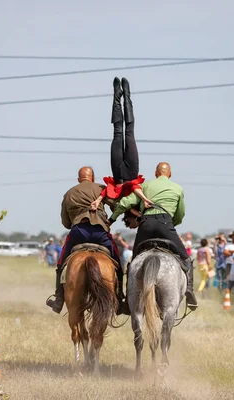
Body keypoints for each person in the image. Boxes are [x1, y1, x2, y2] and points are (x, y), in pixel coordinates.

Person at [110, 162, 198, 312]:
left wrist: (112, 218)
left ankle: (126, 301)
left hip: (146, 226)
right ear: (169, 174)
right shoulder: (177, 188)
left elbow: (125, 203)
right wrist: (171, 224)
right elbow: (180, 214)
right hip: (166, 225)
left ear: (156, 174)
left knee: (133, 263)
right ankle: (189, 291)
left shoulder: (145, 186)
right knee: (185, 258)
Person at [46, 166, 121, 314]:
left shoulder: (69, 193)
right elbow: (117, 206)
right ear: (92, 178)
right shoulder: (101, 188)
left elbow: (66, 223)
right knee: (117, 259)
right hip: (100, 232)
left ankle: (59, 299)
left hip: (78, 233)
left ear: (78, 179)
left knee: (61, 262)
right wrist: (109, 220)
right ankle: (120, 298)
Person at [90, 77, 153, 212]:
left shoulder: (118, 203)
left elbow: (106, 192)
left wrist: (97, 200)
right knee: (129, 133)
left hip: (118, 173)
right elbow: (135, 187)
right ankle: (127, 96)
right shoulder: (136, 202)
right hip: (131, 172)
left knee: (118, 132)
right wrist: (144, 199)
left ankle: (117, 96)